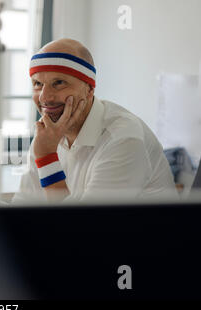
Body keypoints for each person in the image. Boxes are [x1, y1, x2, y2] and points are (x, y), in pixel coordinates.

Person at [13, 38, 177, 202]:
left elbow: (84, 226)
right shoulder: (47, 135)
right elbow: (23, 207)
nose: (44, 97)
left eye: (59, 83)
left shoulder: (123, 138)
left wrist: (47, 158)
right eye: (37, 83)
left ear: (89, 89)